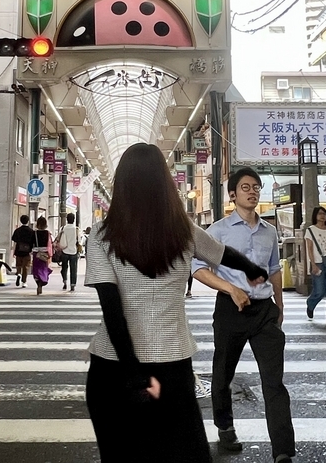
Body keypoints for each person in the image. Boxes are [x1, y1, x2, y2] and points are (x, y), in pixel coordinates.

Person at [85, 143, 267, 462]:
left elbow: (111, 310)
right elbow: (223, 254)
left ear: (121, 184)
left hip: (113, 369)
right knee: (184, 453)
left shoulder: (101, 234)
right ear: (165, 183)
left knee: (121, 457)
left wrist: (134, 375)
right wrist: (253, 270)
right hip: (171, 367)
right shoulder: (183, 231)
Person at [193, 168, 296, 463]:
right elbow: (194, 266)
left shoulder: (270, 230)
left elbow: (274, 269)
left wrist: (279, 304)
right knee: (223, 375)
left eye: (256, 187)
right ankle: (225, 427)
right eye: (246, 187)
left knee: (274, 382)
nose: (252, 192)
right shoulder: (217, 231)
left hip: (264, 312)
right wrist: (229, 288)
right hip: (230, 310)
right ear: (233, 195)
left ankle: (283, 451)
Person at [303, 206, 326, 324]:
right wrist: (313, 264)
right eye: (319, 214)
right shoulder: (310, 230)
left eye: (324, 214)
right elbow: (309, 249)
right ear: (315, 216)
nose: (322, 216)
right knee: (319, 290)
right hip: (318, 263)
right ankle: (311, 303)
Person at [57, 212, 81, 292]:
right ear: (74, 220)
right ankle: (72, 285)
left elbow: (59, 238)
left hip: (64, 251)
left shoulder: (63, 228)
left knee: (64, 267)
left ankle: (65, 281)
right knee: (73, 269)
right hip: (73, 251)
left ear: (67, 219)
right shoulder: (77, 229)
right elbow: (79, 241)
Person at [10, 215, 36, 288]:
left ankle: (18, 273)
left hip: (18, 250)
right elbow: (33, 243)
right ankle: (24, 282)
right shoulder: (31, 231)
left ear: (21, 221)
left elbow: (14, 242)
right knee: (26, 267)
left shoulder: (17, 230)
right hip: (27, 251)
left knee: (19, 265)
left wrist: (13, 251)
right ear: (28, 221)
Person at [32, 216, 54, 295]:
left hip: (36, 253)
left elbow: (32, 243)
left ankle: (38, 283)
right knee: (43, 268)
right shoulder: (47, 233)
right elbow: (50, 243)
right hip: (44, 253)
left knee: (36, 269)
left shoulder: (34, 233)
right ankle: (43, 281)